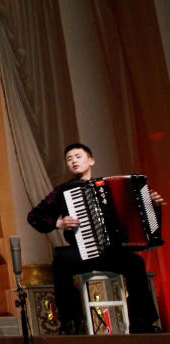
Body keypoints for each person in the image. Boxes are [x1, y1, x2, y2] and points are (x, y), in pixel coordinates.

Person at [27, 142, 164, 334]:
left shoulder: (112, 187)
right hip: (82, 252)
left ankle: (142, 323)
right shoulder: (62, 192)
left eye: (78, 156)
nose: (73, 161)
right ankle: (71, 322)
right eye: (69, 159)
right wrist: (59, 223)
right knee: (61, 258)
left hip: (111, 252)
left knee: (136, 262)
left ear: (91, 160)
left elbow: (140, 218)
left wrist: (152, 205)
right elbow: (34, 217)